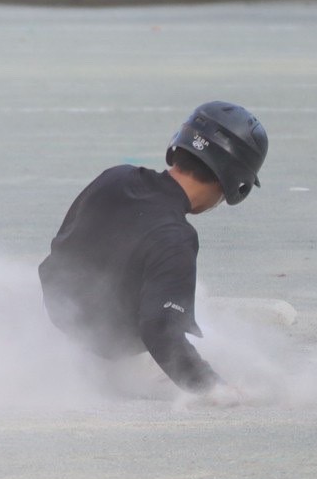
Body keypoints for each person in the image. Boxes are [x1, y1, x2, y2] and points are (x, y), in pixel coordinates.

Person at [38, 101, 268, 401]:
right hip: (101, 359)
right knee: (193, 327)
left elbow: (63, 248)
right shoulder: (176, 239)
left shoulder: (115, 177)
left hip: (51, 324)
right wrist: (213, 387)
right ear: (232, 181)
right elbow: (160, 331)